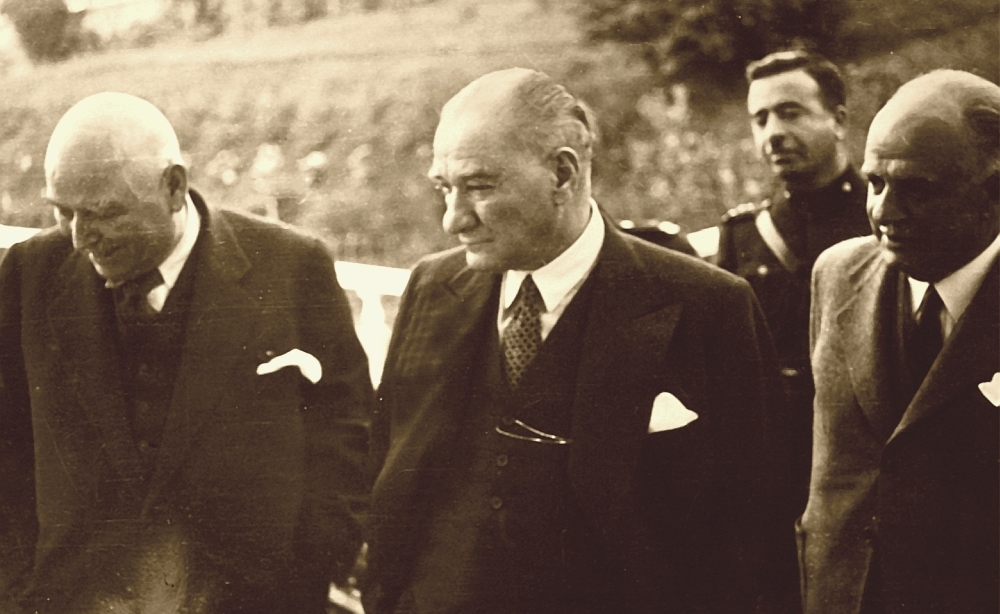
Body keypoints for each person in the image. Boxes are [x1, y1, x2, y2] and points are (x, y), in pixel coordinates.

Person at [364, 68, 797, 614]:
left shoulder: (709, 306)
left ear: (562, 174)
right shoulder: (432, 286)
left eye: (479, 186)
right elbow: (389, 473)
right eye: (443, 188)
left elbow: (753, 531)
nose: (454, 219)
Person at [0, 92, 373, 614]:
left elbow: (347, 433)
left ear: (174, 187)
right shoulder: (28, 273)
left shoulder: (292, 267)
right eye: (64, 213)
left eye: (105, 213)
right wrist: (19, 589)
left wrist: (305, 575)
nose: (81, 239)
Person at [801, 70, 1000, 613]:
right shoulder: (837, 274)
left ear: (993, 190)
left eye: (916, 189)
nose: (883, 212)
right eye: (875, 183)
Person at [717, 50, 871, 505]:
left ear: (838, 120)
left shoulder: (884, 220)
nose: (773, 133)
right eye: (760, 119)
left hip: (868, 458)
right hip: (780, 466)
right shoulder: (745, 234)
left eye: (791, 113)